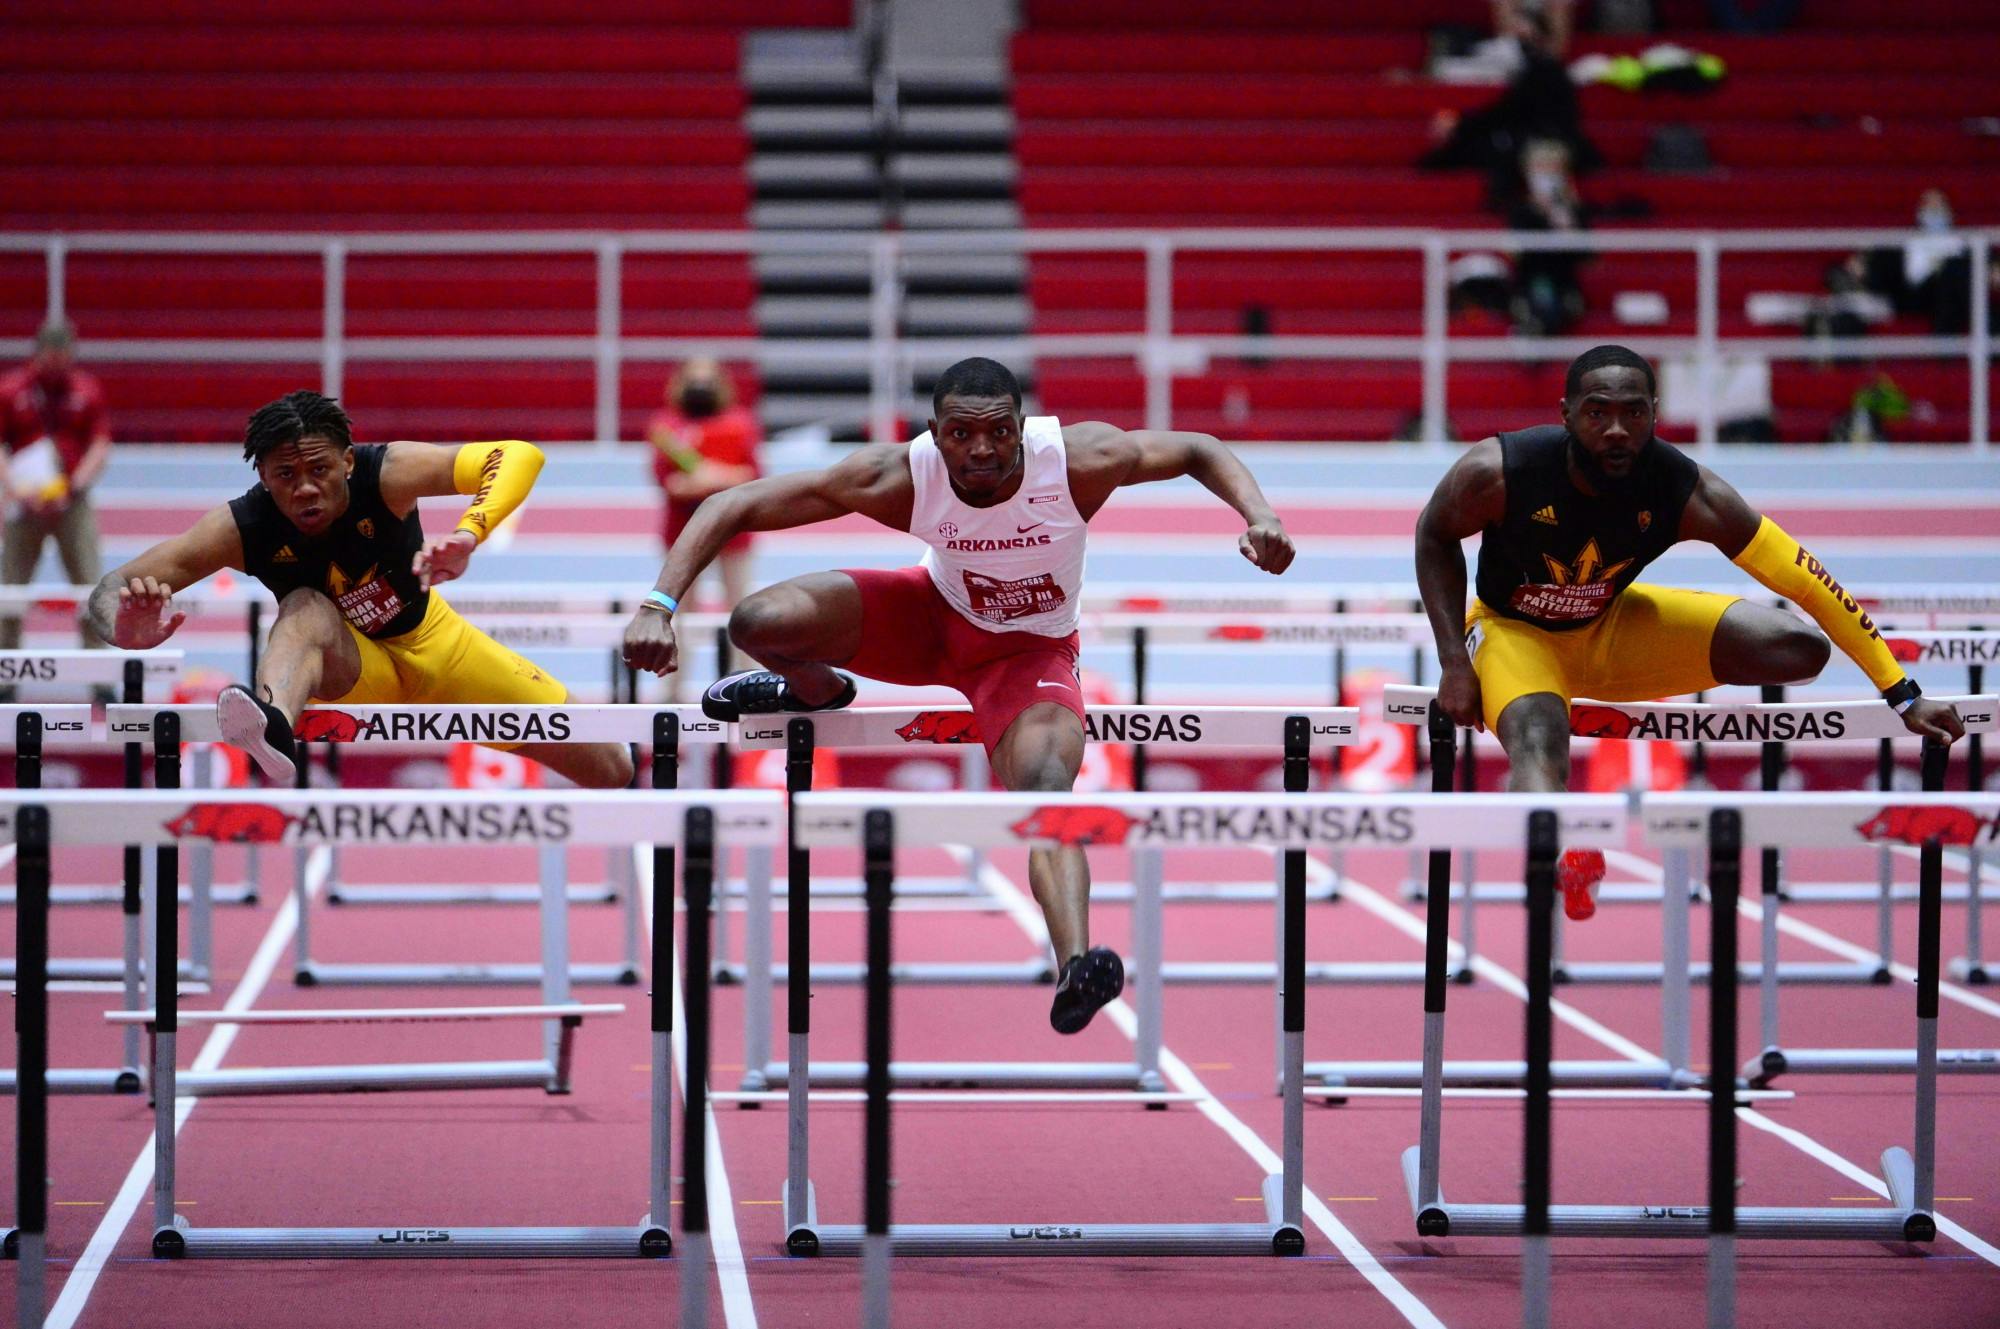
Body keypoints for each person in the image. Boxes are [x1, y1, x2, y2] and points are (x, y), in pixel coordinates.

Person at [621, 357, 1295, 1034]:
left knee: (1045, 788)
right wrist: (658, 603)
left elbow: (1195, 448)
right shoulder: (900, 477)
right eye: (962, 435)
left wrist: (1259, 514)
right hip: (927, 620)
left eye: (1000, 432)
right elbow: (730, 502)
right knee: (758, 620)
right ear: (936, 436)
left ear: (1022, 429)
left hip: (1026, 652)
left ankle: (1075, 962)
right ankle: (816, 689)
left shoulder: (1078, 462)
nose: (981, 450)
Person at [1415, 345, 1964, 921]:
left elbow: (1807, 579)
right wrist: (1454, 661)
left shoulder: (1685, 489)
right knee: (1535, 740)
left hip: (1611, 626)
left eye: (1633, 413)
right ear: (1566, 413)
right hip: (1515, 633)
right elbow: (1434, 535)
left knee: (1797, 648)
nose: (1617, 430)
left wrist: (1901, 691)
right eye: (1597, 413)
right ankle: (1571, 849)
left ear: (1655, 412)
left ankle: (1559, 786)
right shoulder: (1501, 470)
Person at [86, 390, 633, 790]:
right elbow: (110, 589)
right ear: (264, 477)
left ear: (347, 462)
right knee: (304, 608)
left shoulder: (386, 473)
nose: (304, 488)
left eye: (319, 469)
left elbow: (518, 455)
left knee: (614, 767)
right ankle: (273, 725)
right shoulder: (243, 526)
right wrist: (119, 627)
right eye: (284, 476)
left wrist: (469, 534)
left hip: (441, 647)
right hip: (352, 670)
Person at [0, 319, 113, 652]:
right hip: (26, 505)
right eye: (50, 358)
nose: (55, 367)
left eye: (62, 358)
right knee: (11, 589)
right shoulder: (11, 391)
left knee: (90, 585)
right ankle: (5, 674)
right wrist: (14, 490)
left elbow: (100, 444)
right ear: (37, 355)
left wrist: (74, 486)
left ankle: (99, 672)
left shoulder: (86, 391)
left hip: (72, 503)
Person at [649, 357, 760, 618]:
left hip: (733, 529)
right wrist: (716, 479)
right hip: (682, 531)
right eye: (694, 380)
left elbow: (752, 475)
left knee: (741, 608)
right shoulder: (666, 426)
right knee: (677, 610)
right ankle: (678, 660)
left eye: (707, 380)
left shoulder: (739, 423)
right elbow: (669, 483)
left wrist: (710, 476)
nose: (701, 386)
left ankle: (742, 661)